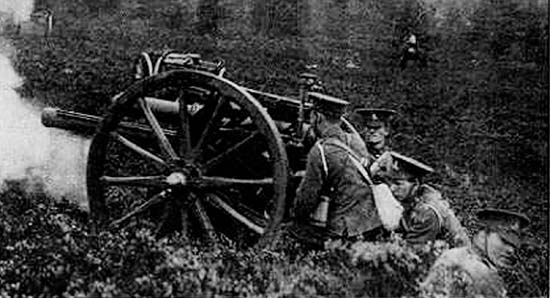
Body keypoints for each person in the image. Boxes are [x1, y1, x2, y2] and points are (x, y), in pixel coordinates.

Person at [289, 92, 383, 249]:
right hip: (371, 221)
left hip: (345, 228)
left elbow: (307, 198)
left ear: (316, 117)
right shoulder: (356, 142)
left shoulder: (321, 151)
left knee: (294, 229)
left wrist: (294, 214)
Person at [420, 209, 530, 298]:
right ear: (482, 234)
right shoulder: (455, 260)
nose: (511, 250)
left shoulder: (487, 267)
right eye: (504, 241)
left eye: (514, 245)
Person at [381, 152, 470, 247]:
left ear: (415, 184)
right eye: (391, 183)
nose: (392, 188)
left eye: (398, 184)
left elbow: (411, 252)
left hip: (453, 259)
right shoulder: (412, 200)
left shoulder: (427, 213)